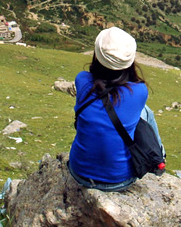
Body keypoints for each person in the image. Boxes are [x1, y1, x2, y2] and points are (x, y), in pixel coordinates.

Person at [68, 27, 164, 192]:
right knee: (145, 112)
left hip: (79, 173)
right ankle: (159, 156)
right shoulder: (140, 91)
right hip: (118, 181)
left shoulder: (82, 80)